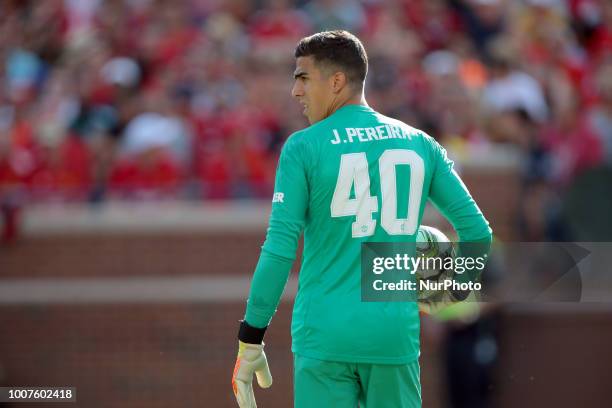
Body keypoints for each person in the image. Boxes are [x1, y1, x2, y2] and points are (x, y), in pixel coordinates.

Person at [231, 30, 492, 408]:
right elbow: (477, 233)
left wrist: (250, 336)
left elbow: (279, 250)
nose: (295, 91)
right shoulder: (420, 143)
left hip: (324, 333)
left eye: (303, 77)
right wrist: (450, 294)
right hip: (392, 333)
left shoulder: (303, 147)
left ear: (336, 80)